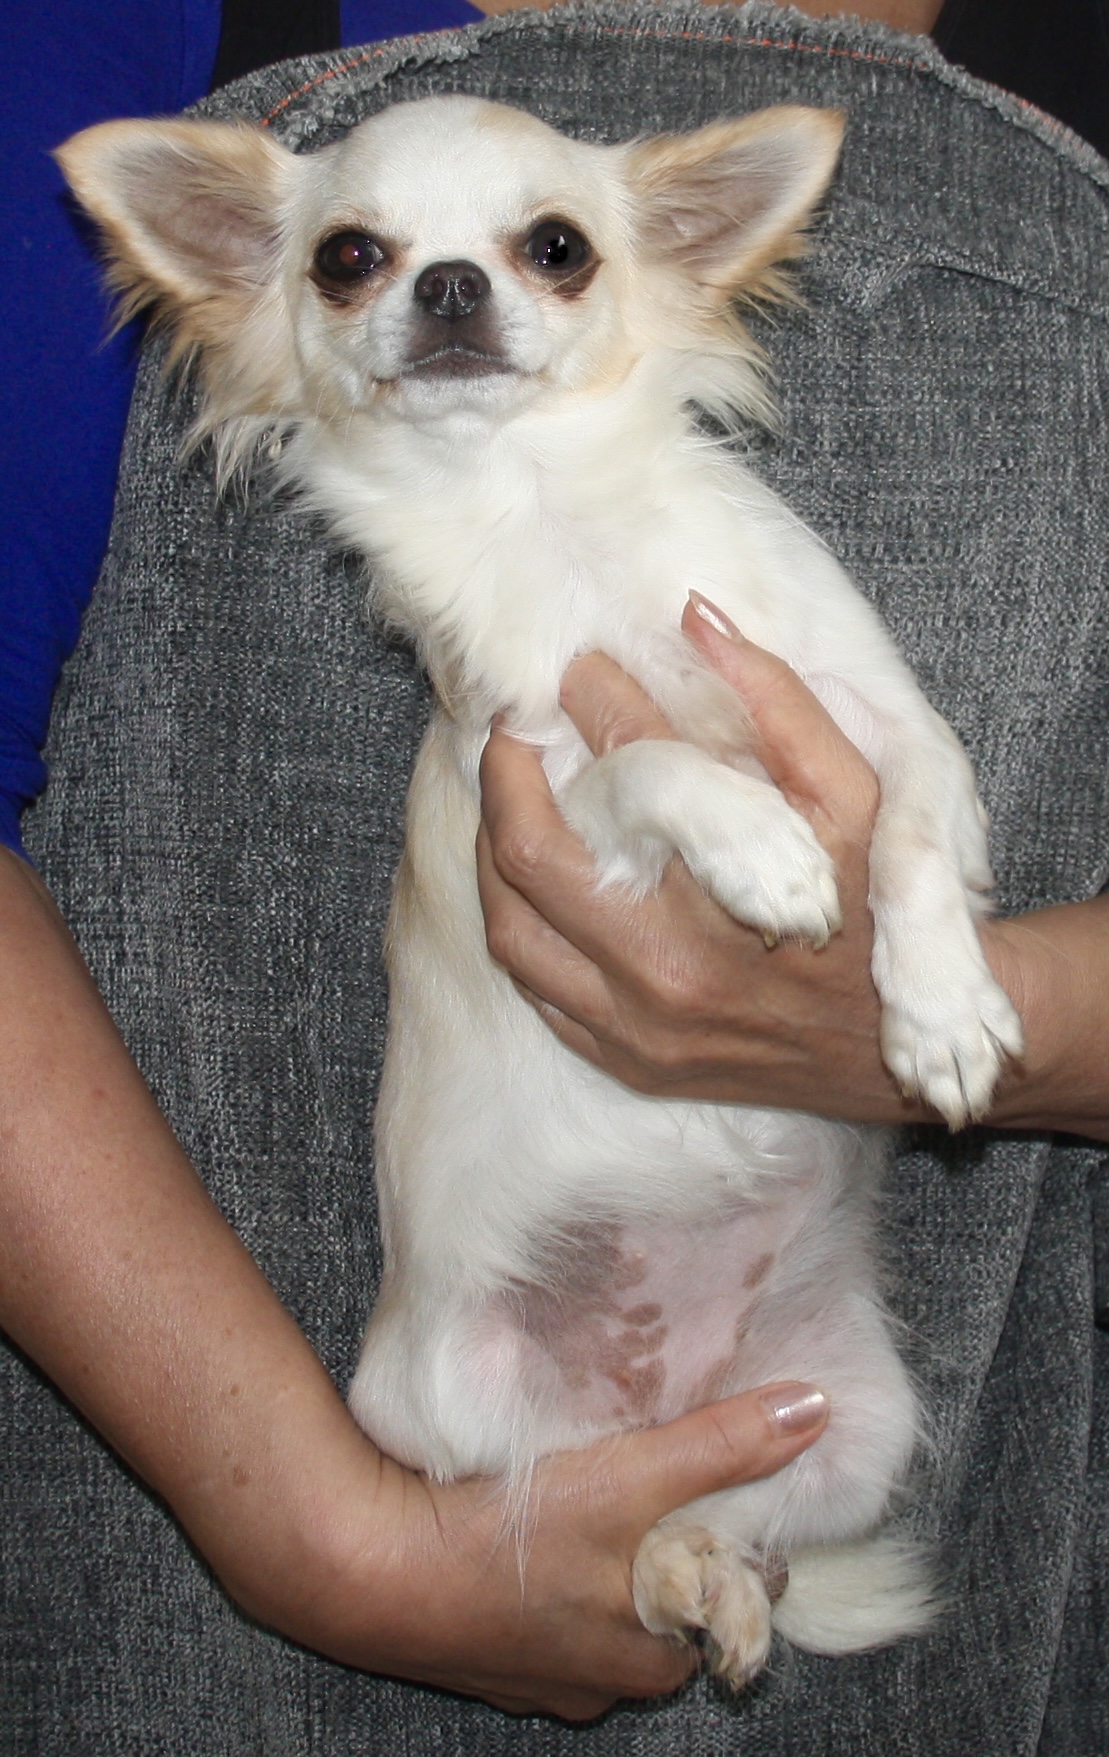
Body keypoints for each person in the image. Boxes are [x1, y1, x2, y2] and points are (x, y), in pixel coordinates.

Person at [1, 1, 1106, 1751]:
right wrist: (330, 1537)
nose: (450, 289)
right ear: (259, 293)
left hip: (978, 1474)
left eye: (545, 251)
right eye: (359, 258)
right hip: (251, 1555)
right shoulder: (127, 33)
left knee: (865, 1448)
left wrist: (1013, 1008)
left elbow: (904, 772)